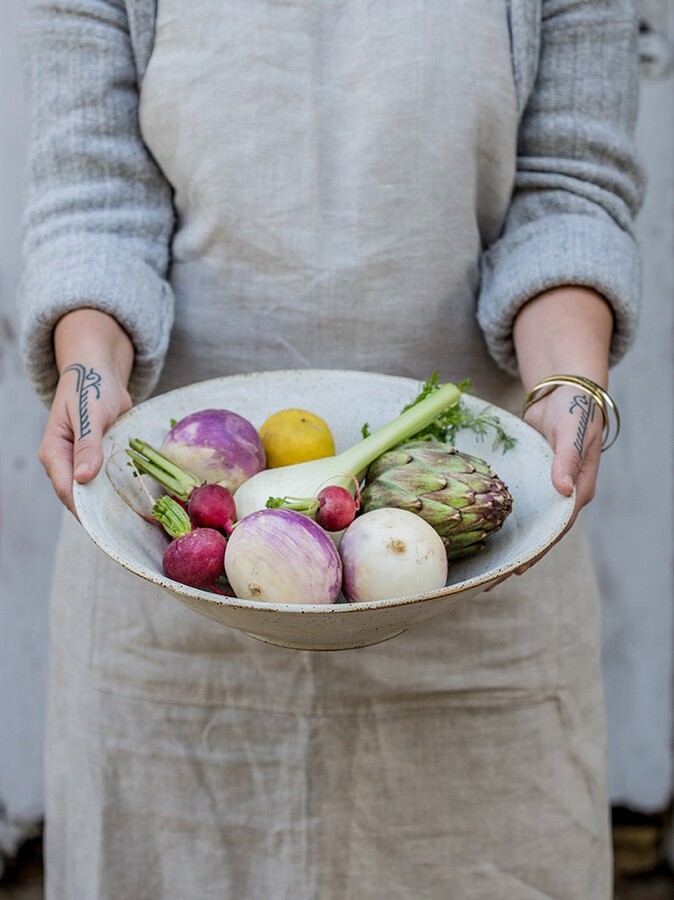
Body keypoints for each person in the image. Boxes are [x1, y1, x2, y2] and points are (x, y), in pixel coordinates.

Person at [18, 1, 644, 897]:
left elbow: (569, 188)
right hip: (178, 587)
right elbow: (92, 197)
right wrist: (88, 376)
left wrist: (571, 387)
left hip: (469, 569)